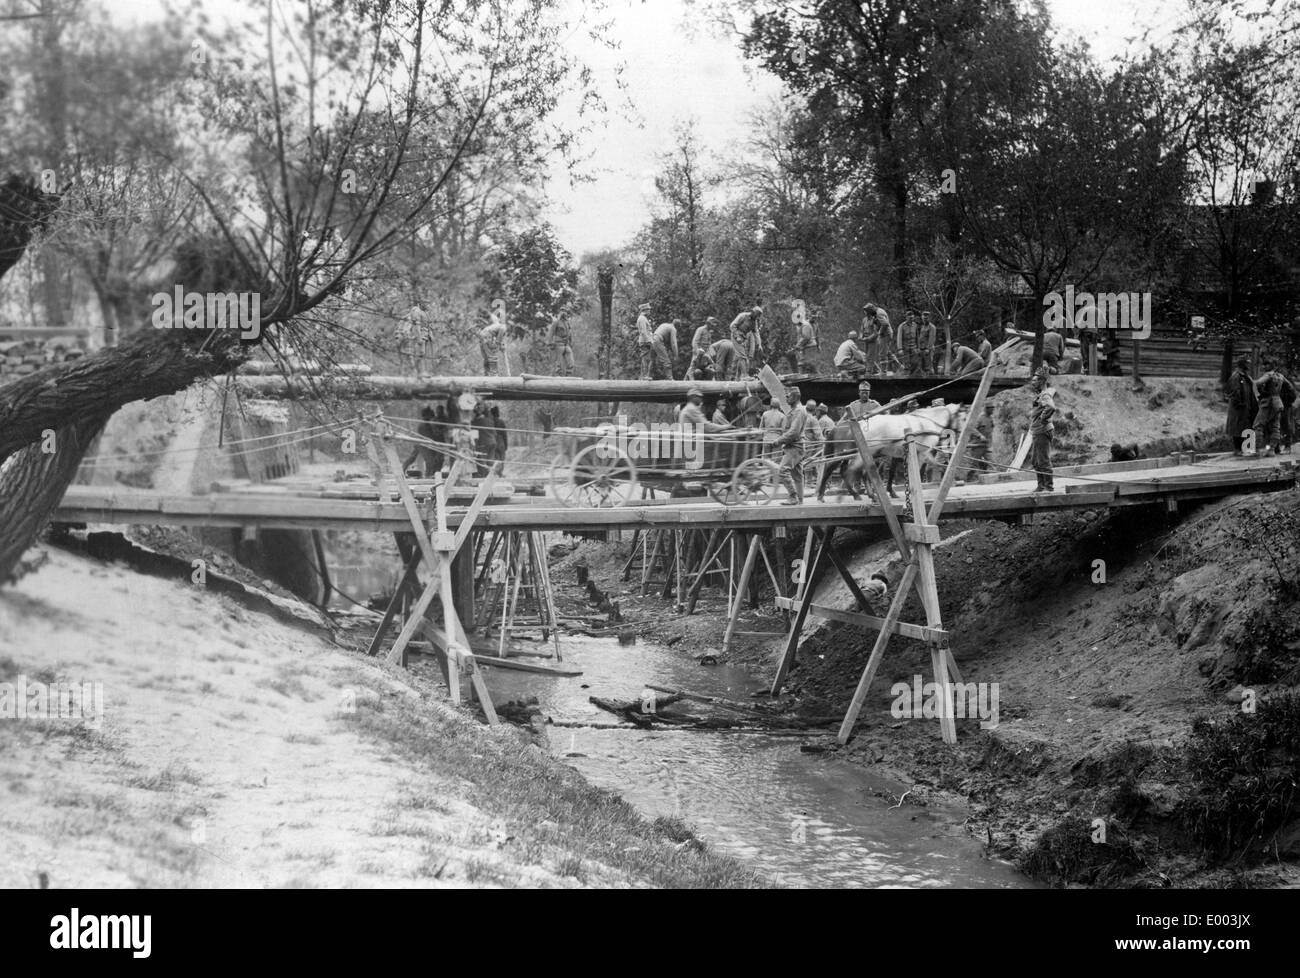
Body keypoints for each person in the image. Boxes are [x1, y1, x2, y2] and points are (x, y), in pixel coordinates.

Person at [1253, 359, 1297, 457]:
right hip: (1278, 403)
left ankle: (1258, 450)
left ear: (1270, 366)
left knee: (1258, 425)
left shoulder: (1268, 375)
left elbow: (1258, 383)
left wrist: (1262, 392)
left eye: (1266, 364)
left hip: (1267, 402)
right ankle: (1271, 450)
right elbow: (1291, 388)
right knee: (1275, 427)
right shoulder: (1281, 376)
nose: (1264, 367)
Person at [775, 386, 808, 505]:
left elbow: (794, 432)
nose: (786, 397)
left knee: (782, 470)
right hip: (794, 446)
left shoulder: (799, 411)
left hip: (795, 447)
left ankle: (793, 496)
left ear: (795, 397)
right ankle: (800, 500)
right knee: (797, 475)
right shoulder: (795, 410)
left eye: (788, 395)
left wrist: (779, 440)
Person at [1028, 367, 1057, 492]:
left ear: (1041, 381)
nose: (1032, 383)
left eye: (1035, 381)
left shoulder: (1044, 394)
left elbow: (1050, 407)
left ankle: (1048, 487)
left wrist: (1043, 419)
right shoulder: (1040, 394)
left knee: (1043, 460)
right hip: (1037, 431)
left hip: (1042, 431)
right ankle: (1041, 486)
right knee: (1035, 460)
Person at [1225, 357, 1258, 455]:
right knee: (1237, 427)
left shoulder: (1246, 377)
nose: (1248, 365)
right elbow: (1235, 392)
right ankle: (1237, 449)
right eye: (1247, 363)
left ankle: (1246, 448)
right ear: (1242, 364)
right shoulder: (1236, 377)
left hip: (1247, 407)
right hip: (1239, 408)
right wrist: (1240, 404)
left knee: (1246, 427)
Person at [728, 305, 764, 377]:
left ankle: (737, 377)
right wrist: (737, 336)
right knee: (742, 356)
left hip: (743, 338)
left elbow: (756, 333)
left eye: (758, 316)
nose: (757, 317)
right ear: (753, 312)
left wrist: (759, 345)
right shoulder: (743, 316)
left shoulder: (754, 322)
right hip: (736, 336)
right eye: (756, 315)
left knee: (741, 357)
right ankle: (745, 376)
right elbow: (732, 325)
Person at [965, 402, 995, 476]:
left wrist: (990, 443)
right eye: (991, 409)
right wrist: (980, 436)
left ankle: (992, 477)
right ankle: (970, 478)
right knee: (974, 464)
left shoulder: (991, 418)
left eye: (993, 409)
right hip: (977, 445)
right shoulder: (980, 418)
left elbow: (990, 431)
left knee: (990, 461)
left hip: (986, 445)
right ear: (986, 409)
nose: (993, 411)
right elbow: (971, 428)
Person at [895, 309, 922, 375]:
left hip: (914, 348)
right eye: (909, 317)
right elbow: (899, 338)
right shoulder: (902, 326)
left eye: (912, 317)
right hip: (905, 348)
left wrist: (918, 347)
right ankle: (906, 377)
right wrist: (900, 349)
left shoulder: (915, 325)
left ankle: (910, 375)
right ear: (906, 317)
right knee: (906, 365)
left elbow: (917, 337)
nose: (911, 319)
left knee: (915, 363)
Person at [634, 302, 655, 379]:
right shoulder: (642, 319)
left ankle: (644, 375)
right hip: (645, 341)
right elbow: (643, 332)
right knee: (645, 358)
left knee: (646, 358)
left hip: (646, 340)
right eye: (648, 309)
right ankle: (644, 375)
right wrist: (649, 342)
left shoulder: (643, 318)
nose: (649, 311)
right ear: (645, 310)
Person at [860, 305, 882, 375]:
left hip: (872, 340)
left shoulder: (875, 320)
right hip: (866, 341)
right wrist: (860, 336)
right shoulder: (864, 320)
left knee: (870, 356)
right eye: (864, 310)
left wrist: (868, 338)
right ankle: (875, 370)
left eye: (866, 310)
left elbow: (876, 333)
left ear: (870, 311)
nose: (865, 312)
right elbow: (861, 330)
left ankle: (868, 372)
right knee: (866, 356)